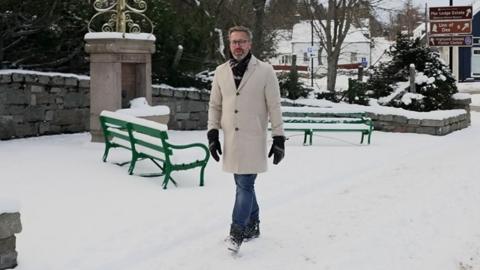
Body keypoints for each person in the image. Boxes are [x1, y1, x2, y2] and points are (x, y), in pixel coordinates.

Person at [207, 25, 285, 253]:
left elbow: (274, 106)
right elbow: (215, 105)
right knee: (244, 185)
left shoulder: (265, 70)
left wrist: (278, 137)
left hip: (253, 138)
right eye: (234, 42)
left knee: (244, 185)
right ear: (229, 45)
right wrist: (212, 133)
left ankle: (237, 232)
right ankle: (253, 224)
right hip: (231, 139)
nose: (237, 46)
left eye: (242, 42)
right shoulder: (221, 71)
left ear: (250, 44)